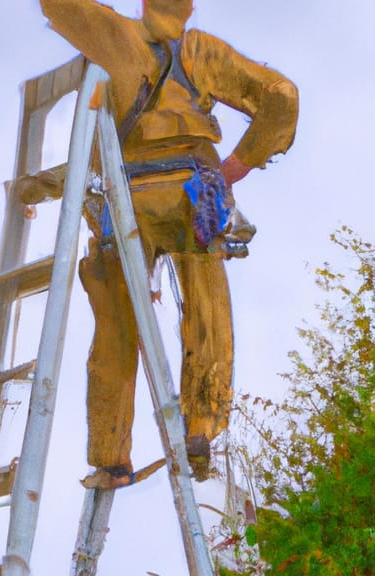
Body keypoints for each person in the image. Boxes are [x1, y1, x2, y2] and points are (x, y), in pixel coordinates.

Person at [23, 0, 298, 485]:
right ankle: (201, 429)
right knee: (208, 311)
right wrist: (238, 164)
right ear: (189, 6)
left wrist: (38, 186)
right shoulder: (201, 52)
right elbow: (282, 94)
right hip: (193, 198)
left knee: (117, 327)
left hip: (126, 198)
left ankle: (110, 456)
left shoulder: (113, 34)